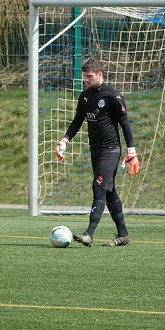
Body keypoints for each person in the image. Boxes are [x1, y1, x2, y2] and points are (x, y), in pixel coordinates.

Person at [55, 58, 140, 247]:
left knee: (99, 186)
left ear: (100, 74)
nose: (86, 80)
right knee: (109, 192)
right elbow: (77, 120)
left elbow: (124, 123)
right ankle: (123, 235)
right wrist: (65, 139)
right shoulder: (85, 96)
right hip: (95, 149)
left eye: (89, 76)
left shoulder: (112, 95)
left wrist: (131, 150)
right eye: (85, 77)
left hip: (111, 150)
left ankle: (89, 233)